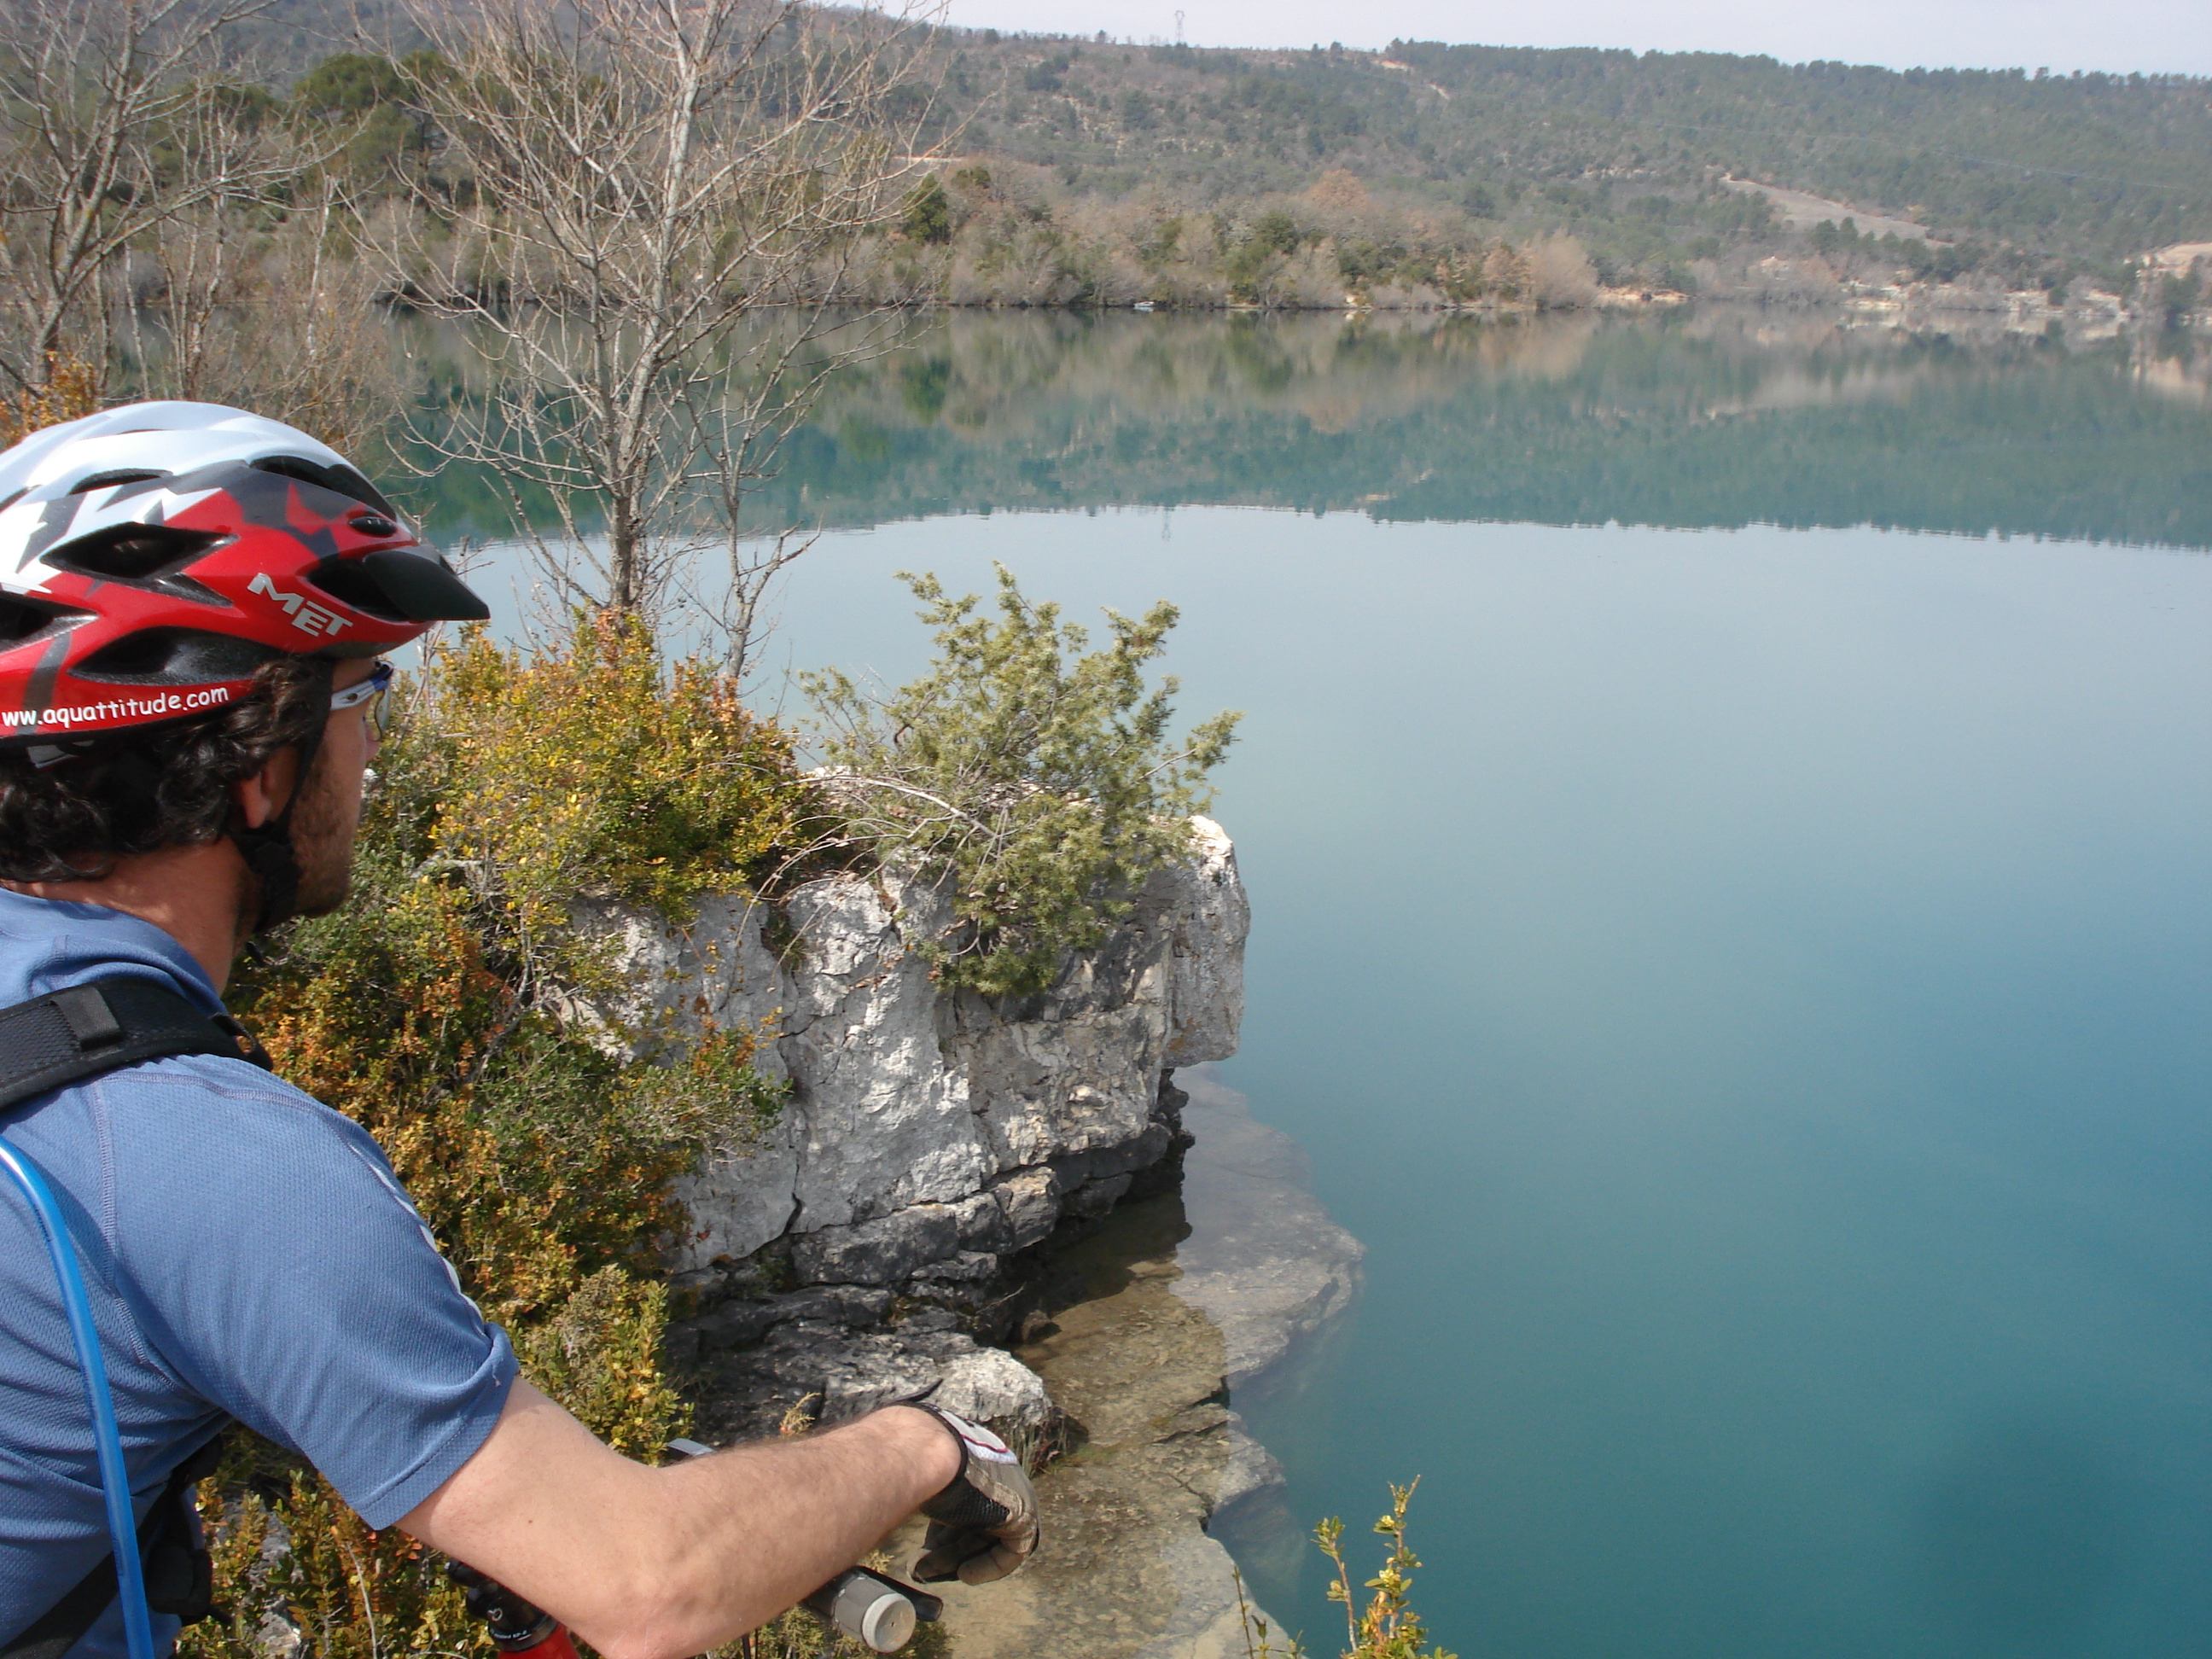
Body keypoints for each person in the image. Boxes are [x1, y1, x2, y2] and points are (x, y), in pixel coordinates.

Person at [0, 404, 1037, 1659]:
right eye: (359, 694)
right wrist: (927, 1441)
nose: (375, 746)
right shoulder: (203, 1159)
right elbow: (651, 1585)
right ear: (256, 767)